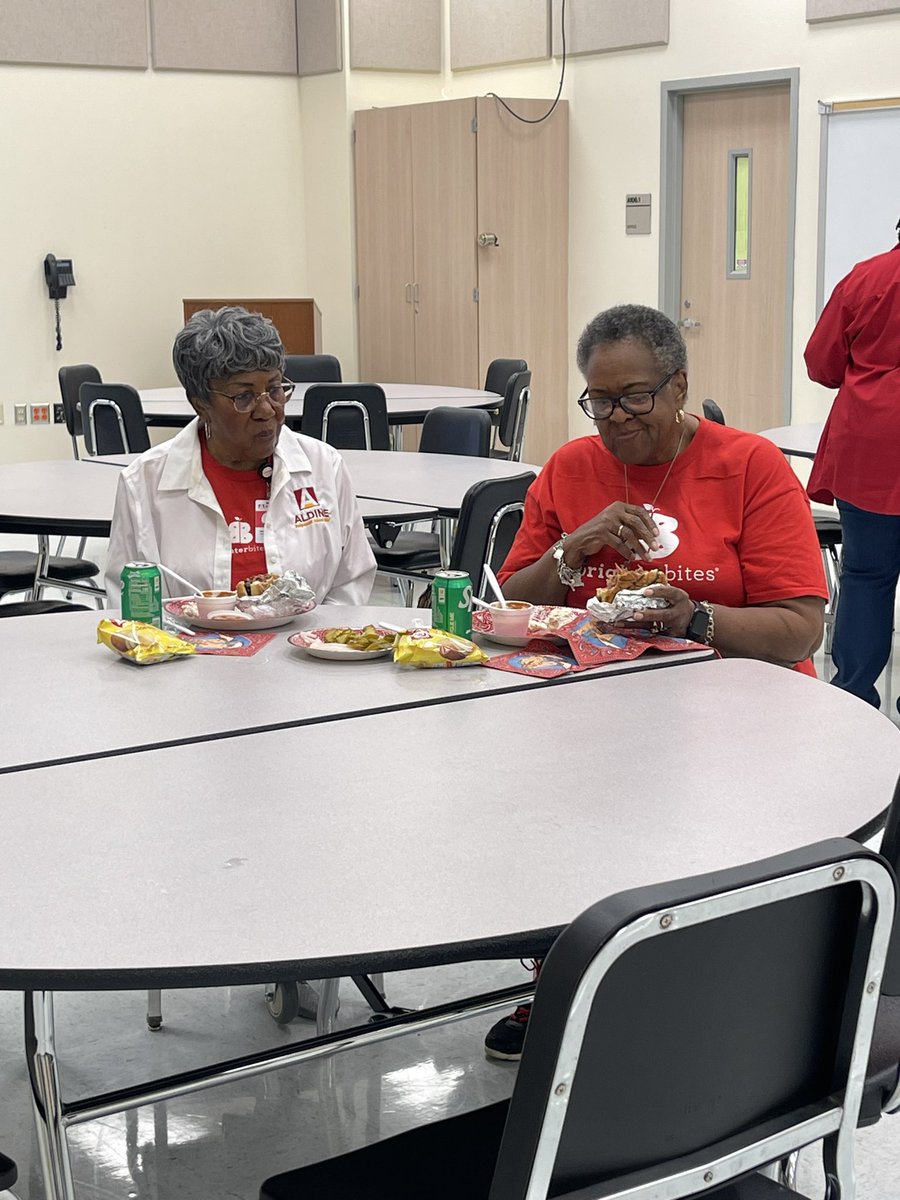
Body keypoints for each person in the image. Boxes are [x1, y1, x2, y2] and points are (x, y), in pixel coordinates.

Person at [484, 302, 828, 1062]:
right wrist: (575, 551)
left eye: (634, 396)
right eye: (598, 400)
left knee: (693, 822)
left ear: (678, 387)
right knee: (544, 802)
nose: (615, 418)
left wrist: (698, 619)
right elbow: (509, 602)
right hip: (598, 712)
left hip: (739, 715)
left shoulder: (748, 466)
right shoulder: (571, 468)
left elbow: (801, 625)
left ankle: (704, 993)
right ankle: (564, 983)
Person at [106, 306, 376, 607]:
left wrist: (315, 642)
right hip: (188, 651)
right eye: (243, 397)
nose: (267, 410)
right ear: (201, 405)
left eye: (274, 389)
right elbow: (131, 608)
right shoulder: (143, 484)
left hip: (306, 649)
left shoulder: (324, 468)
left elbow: (351, 583)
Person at [804, 221, 900, 711]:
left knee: (866, 575)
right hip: (873, 448)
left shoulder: (866, 279)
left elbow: (821, 364)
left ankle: (855, 700)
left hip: (869, 447)